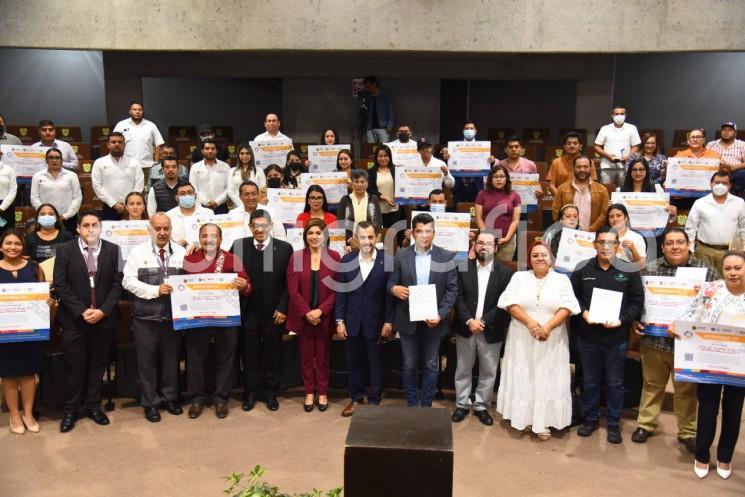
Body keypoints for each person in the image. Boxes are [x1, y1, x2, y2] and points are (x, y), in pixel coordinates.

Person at [628, 227, 718, 453]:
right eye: (670, 243)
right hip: (654, 342)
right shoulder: (650, 269)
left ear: (689, 244)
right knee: (651, 385)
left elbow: (716, 305)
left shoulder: (705, 271)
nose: (675, 247)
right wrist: (636, 321)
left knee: (686, 391)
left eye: (680, 242)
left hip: (687, 343)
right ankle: (645, 424)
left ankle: (687, 432)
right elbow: (638, 301)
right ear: (663, 246)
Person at [496, 241, 581, 439]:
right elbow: (509, 303)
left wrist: (548, 326)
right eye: (535, 255)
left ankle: (543, 422)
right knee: (524, 375)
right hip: (522, 338)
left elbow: (568, 306)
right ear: (529, 260)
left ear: (551, 259)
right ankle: (522, 417)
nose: (540, 258)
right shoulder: (519, 277)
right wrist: (530, 323)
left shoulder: (562, 280)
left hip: (551, 339)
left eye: (544, 255)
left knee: (546, 377)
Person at [673, 251, 745, 480]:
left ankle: (725, 457)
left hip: (739, 365)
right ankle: (702, 455)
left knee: (733, 412)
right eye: (728, 269)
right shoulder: (710, 289)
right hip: (709, 361)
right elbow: (691, 312)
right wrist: (677, 325)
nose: (732, 273)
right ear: (722, 270)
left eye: (738, 268)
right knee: (707, 409)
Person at [570, 226, 644, 444]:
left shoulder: (629, 271)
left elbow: (637, 302)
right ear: (595, 245)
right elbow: (573, 298)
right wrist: (583, 312)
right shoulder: (582, 269)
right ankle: (590, 419)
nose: (606, 246)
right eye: (601, 242)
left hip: (616, 337)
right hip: (588, 336)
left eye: (611, 242)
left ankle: (613, 423)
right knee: (590, 381)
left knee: (615, 383)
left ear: (618, 246)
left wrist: (622, 319)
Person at [54, 211, 123, 433]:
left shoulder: (113, 250)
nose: (90, 229)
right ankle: (71, 410)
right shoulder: (65, 250)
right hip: (75, 320)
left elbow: (117, 284)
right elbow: (61, 285)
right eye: (86, 225)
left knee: (97, 365)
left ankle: (94, 406)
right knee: (75, 366)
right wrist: (81, 311)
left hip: (103, 320)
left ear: (101, 228)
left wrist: (103, 311)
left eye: (95, 225)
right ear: (78, 229)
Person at [387, 213, 458, 407]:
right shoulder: (401, 255)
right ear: (413, 233)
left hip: (434, 321)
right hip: (407, 319)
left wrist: (441, 314)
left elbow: (452, 290)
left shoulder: (446, 256)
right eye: (420, 231)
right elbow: (390, 284)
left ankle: (426, 404)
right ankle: (412, 404)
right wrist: (394, 289)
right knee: (409, 365)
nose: (424, 236)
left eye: (428, 231)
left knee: (430, 365)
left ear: (434, 234)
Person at [122, 213, 186, 422]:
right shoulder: (138, 252)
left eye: (166, 228)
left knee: (171, 361)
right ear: (149, 229)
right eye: (157, 228)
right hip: (145, 318)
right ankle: (151, 403)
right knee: (146, 363)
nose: (162, 232)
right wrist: (155, 290)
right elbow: (128, 282)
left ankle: (169, 398)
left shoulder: (181, 252)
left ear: (171, 230)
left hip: (172, 318)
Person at [183, 224, 251, 419]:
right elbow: (181, 287)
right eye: (204, 236)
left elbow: (248, 286)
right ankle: (197, 398)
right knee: (196, 358)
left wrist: (244, 285)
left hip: (225, 318)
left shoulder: (232, 259)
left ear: (221, 239)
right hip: (197, 319)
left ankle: (221, 399)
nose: (209, 240)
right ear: (199, 238)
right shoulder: (190, 259)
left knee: (225, 359)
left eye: (213, 236)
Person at [230, 209, 292, 412]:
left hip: (274, 313)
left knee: (273, 353)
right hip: (247, 311)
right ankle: (251, 392)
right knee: (249, 355)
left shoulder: (284, 248)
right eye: (256, 225)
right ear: (250, 227)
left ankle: (271, 392)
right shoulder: (238, 246)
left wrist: (283, 308)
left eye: (264, 225)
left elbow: (288, 284)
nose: (260, 229)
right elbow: (227, 276)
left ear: (270, 226)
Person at [452, 230, 513, 426]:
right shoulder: (462, 268)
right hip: (466, 328)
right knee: (463, 368)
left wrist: (484, 321)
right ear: (474, 245)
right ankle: (462, 404)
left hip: (491, 329)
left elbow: (503, 302)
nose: (483, 246)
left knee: (489, 371)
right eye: (480, 243)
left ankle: (481, 405)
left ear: (495, 248)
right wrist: (470, 320)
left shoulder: (506, 273)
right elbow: (457, 298)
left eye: (488, 244)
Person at [335, 221, 394, 416]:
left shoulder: (388, 261)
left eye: (370, 237)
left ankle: (375, 399)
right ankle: (356, 398)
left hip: (376, 322)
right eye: (362, 237)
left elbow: (389, 296)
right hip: (352, 321)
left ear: (376, 237)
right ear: (356, 239)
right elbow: (341, 294)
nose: (367, 241)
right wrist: (339, 321)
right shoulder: (346, 260)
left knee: (376, 362)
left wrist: (388, 321)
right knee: (354, 362)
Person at [286, 219, 341, 412]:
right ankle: (309, 391)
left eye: (318, 233)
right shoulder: (297, 257)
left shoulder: (335, 256)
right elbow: (293, 290)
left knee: (324, 357)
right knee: (306, 357)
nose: (314, 236)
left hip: (325, 316)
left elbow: (337, 289)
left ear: (325, 236)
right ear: (305, 236)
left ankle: (323, 392)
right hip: (304, 316)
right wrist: (307, 312)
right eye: (310, 233)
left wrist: (321, 310)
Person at [0, 231, 50, 434]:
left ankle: (28, 413)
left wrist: (48, 302)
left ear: (23, 246)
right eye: (8, 243)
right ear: (1, 246)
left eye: (17, 244)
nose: (13, 247)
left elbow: (44, 293)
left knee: (29, 373)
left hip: (30, 330)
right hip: (5, 331)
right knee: (9, 374)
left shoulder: (34, 267)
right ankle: (14, 414)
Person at [685, 171, 745, 274]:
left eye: (724, 183)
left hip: (731, 251)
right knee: (705, 281)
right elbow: (691, 227)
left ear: (730, 185)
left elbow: (743, 227)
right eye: (717, 182)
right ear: (711, 183)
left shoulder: (739, 202)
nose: (720, 185)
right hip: (704, 250)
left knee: (727, 283)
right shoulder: (700, 203)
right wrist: (690, 249)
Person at [91, 131, 145, 221]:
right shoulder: (99, 162)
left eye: (120, 142)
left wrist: (130, 204)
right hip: (109, 207)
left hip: (131, 209)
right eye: (113, 142)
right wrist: (114, 204)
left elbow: (139, 184)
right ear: (108, 144)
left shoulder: (134, 163)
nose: (117, 144)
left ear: (124, 145)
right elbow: (97, 186)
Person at [30, 147, 82, 232]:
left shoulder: (72, 175)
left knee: (68, 244)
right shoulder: (37, 176)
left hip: (68, 219)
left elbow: (77, 197)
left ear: (62, 160)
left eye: (57, 158)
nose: (54, 160)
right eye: (51, 158)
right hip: (45, 219)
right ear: (46, 160)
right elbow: (34, 198)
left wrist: (66, 216)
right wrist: (45, 214)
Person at [475, 165, 521, 261]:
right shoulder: (482, 194)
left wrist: (507, 238)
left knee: (503, 271)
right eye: (495, 177)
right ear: (490, 179)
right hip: (485, 240)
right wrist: (487, 236)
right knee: (484, 267)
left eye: (502, 176)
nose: (499, 179)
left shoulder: (515, 195)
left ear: (506, 178)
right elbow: (478, 218)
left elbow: (515, 221)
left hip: (507, 241)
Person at [552, 156, 609, 232]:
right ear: (573, 168)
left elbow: (604, 214)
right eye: (579, 167)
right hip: (568, 234)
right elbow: (556, 212)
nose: (582, 170)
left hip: (593, 235)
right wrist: (565, 229)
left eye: (585, 167)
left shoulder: (602, 190)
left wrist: (590, 229)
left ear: (590, 168)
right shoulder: (562, 189)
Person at [594, 106, 641, 185]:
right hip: (607, 166)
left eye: (622, 114)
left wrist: (628, 156)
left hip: (625, 166)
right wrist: (607, 155)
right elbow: (596, 146)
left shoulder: (632, 128)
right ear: (612, 116)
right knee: (607, 190)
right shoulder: (605, 129)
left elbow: (636, 145)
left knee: (623, 192)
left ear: (625, 115)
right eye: (616, 114)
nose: (619, 116)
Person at [113, 101, 164, 168]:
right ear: (130, 111)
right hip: (127, 166)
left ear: (143, 112)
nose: (137, 112)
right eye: (134, 109)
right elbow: (113, 143)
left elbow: (158, 144)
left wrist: (156, 163)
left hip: (147, 165)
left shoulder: (151, 125)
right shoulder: (121, 125)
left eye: (140, 110)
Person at [336, 169, 383, 241]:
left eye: (362, 181)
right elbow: (340, 223)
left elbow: (378, 222)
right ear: (352, 183)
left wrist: (369, 238)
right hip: (350, 243)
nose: (359, 185)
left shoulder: (373, 199)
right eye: (356, 181)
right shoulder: (345, 200)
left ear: (367, 183)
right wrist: (350, 240)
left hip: (370, 240)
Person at [547, 131, 597, 196]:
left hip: (583, 198)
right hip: (561, 199)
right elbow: (551, 185)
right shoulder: (556, 162)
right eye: (569, 143)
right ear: (564, 147)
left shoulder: (588, 162)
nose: (572, 145)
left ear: (580, 146)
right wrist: (560, 197)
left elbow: (593, 183)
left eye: (575, 143)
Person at [189, 139, 231, 214]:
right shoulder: (195, 167)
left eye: (212, 148)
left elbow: (229, 187)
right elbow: (193, 188)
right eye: (207, 148)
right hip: (201, 207)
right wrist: (206, 202)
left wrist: (217, 202)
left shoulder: (225, 167)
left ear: (216, 150)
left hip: (221, 206)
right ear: (202, 151)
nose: (210, 151)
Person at [165, 183, 214, 248]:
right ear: (176, 198)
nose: (186, 196)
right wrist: (175, 245)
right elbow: (165, 239)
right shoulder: (168, 216)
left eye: (190, 192)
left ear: (195, 195)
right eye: (182, 194)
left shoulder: (208, 213)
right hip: (178, 254)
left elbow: (214, 236)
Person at [708, 121, 745, 195]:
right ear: (721, 132)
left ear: (735, 133)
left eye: (730, 130)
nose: (726, 132)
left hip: (734, 172)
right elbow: (705, 159)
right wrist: (719, 165)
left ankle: (732, 194)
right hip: (715, 171)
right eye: (724, 130)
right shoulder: (711, 144)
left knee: (743, 174)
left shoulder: (742, 144)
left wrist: (732, 168)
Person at [367, 145, 399, 228]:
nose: (383, 158)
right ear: (376, 157)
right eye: (380, 156)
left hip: (395, 209)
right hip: (378, 210)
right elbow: (369, 190)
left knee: (392, 237)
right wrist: (383, 197)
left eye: (386, 156)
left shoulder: (397, 170)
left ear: (390, 157)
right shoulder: (370, 172)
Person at [362, 75, 394, 144]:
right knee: (370, 148)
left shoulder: (385, 96)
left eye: (368, 86)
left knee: (384, 147)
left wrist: (389, 125)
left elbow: (391, 111)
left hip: (383, 128)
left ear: (374, 84)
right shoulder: (369, 98)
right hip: (370, 128)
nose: (368, 89)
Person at [0, 148, 18, 229]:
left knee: (5, 234)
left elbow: (13, 190)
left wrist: (2, 207)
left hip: (6, 207)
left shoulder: (9, 170)